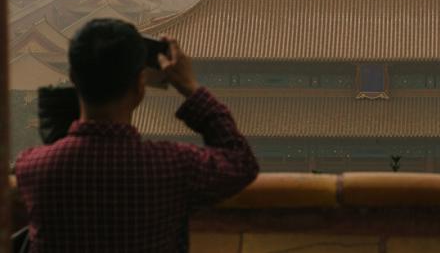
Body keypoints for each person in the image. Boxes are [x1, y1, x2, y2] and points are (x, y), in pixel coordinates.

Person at [14, 18, 259, 252]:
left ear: (73, 79)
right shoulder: (172, 166)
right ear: (140, 86)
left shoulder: (33, 168)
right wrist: (191, 88)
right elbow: (242, 162)